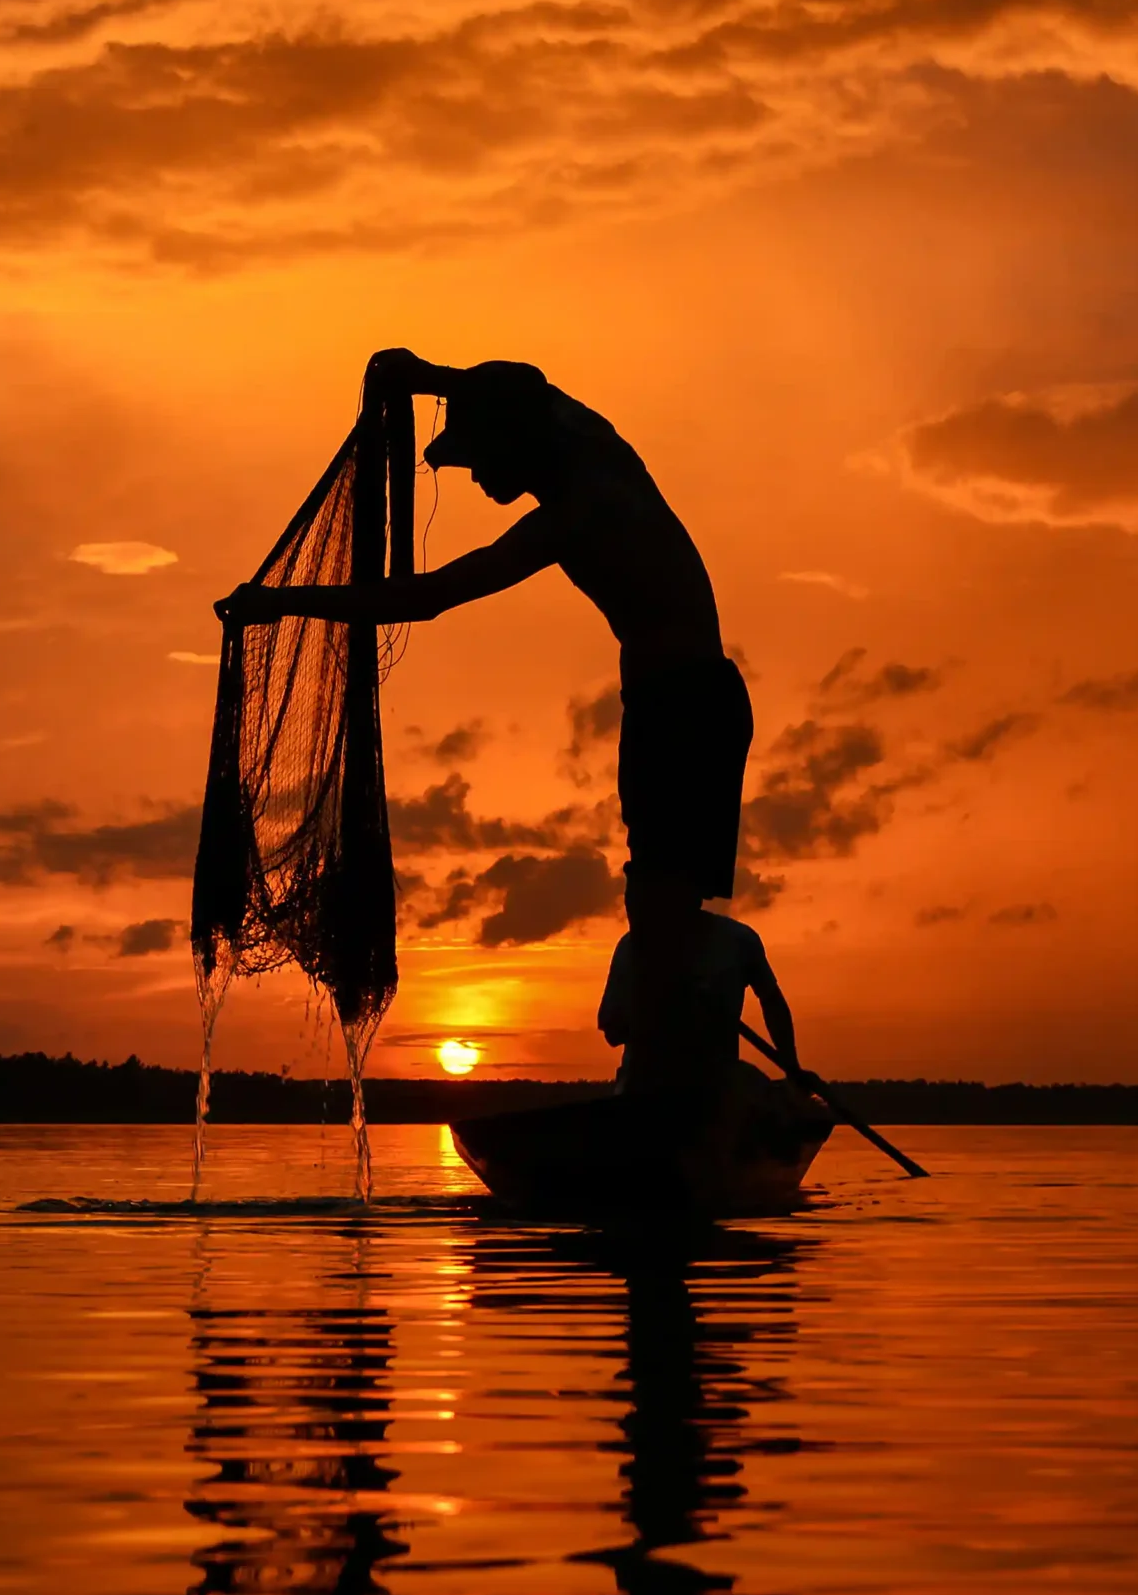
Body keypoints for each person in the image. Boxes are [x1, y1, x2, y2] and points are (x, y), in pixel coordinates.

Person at [216, 349, 754, 1109]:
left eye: (476, 458)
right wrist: (423, 375)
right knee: (663, 902)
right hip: (679, 702)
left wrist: (283, 603)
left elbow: (430, 596)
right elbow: (527, 390)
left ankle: (669, 1087)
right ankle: (674, 1073)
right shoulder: (590, 445)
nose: (471, 477)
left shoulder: (579, 508)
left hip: (685, 708)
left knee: (661, 901)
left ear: (514, 440)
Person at [596, 909, 802, 1099]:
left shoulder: (739, 940)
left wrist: (792, 1068)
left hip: (716, 1097)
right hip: (645, 1094)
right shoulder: (631, 946)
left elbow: (772, 1002)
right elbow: (612, 1031)